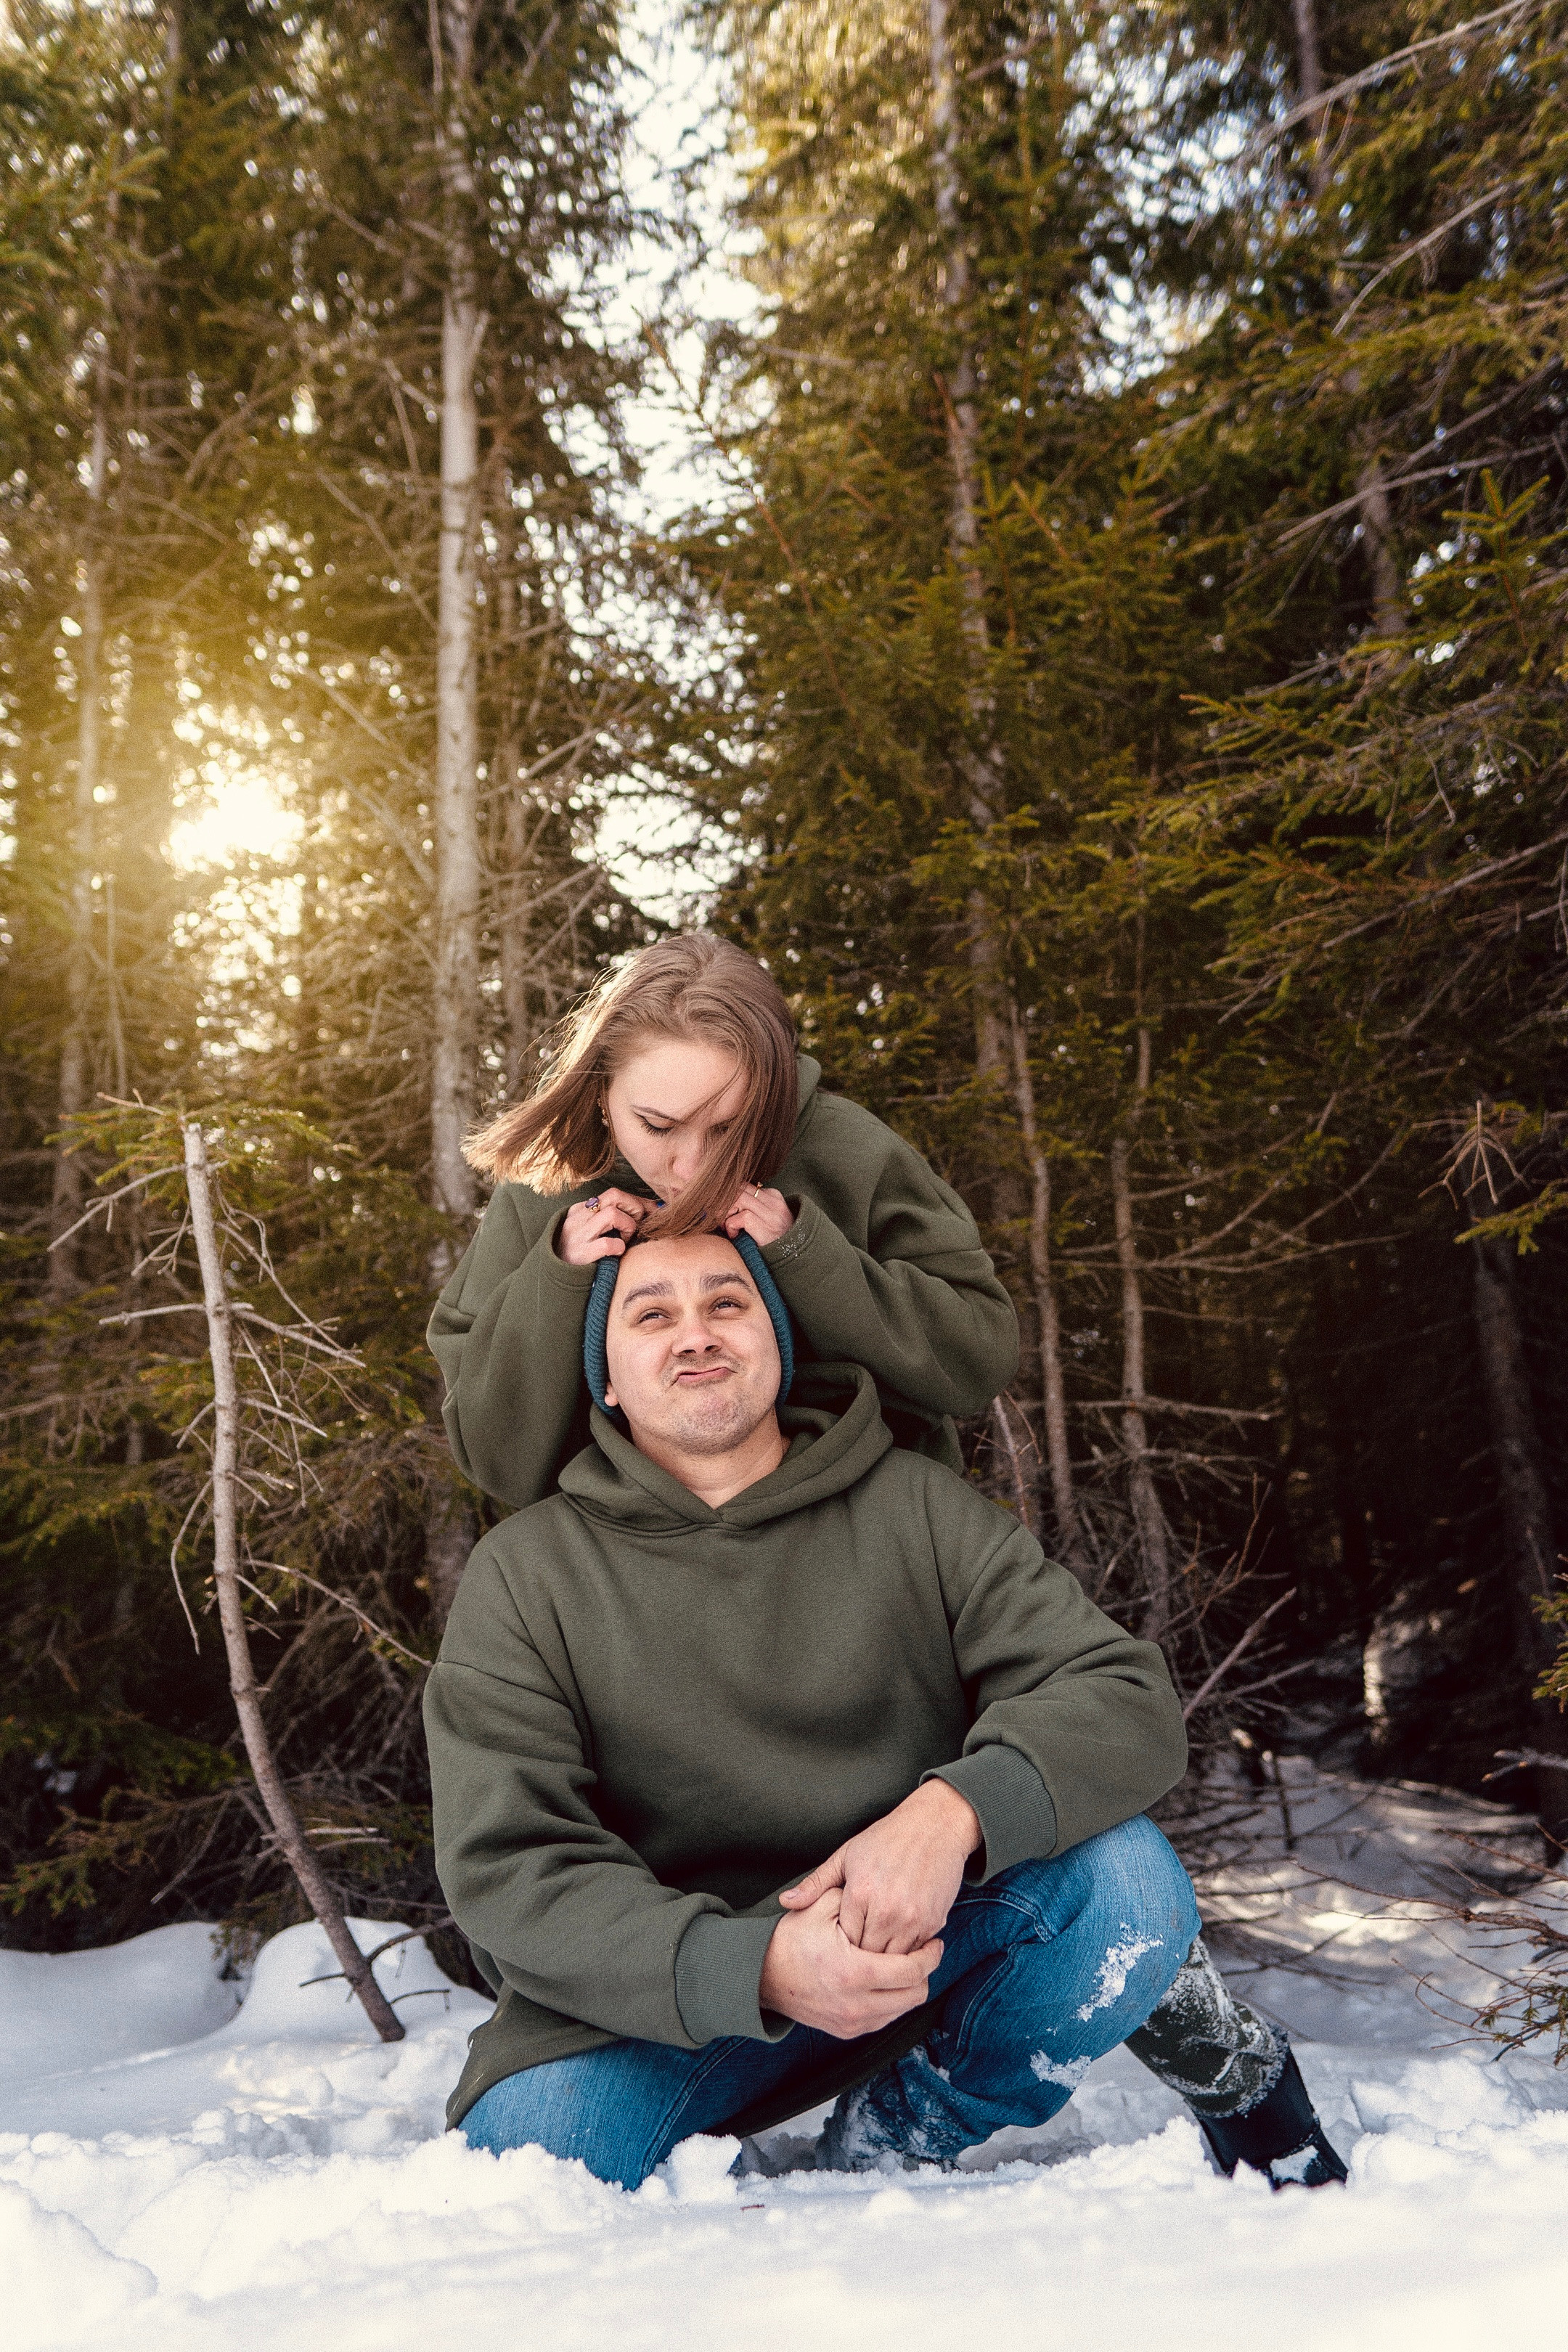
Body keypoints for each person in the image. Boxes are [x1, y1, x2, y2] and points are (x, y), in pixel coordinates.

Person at [428, 933, 1345, 2187]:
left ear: (775, 1096)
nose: (689, 1169)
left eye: (726, 1130)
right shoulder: (548, 1216)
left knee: (1091, 1852)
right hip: (649, 1614)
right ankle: (762, 2009)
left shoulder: (846, 1175)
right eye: (656, 1128)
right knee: (531, 2159)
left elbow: (973, 1355)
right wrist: (562, 1283)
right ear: (600, 1094)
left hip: (866, 1564)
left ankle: (949, 2115)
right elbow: (495, 1440)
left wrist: (804, 1251)